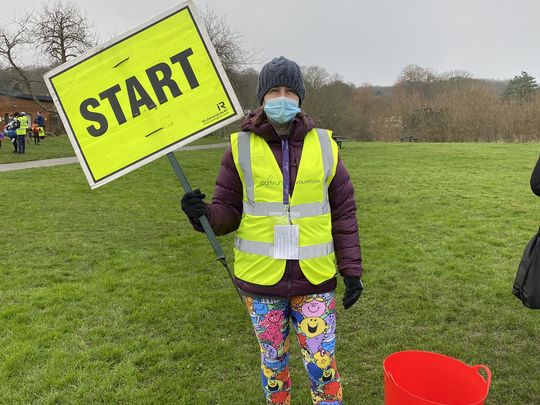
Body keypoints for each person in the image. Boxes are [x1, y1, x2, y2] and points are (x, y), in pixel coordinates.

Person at [180, 56, 363, 405]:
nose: (282, 98)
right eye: (274, 91)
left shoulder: (325, 146)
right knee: (274, 365)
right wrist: (201, 214)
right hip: (261, 283)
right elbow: (228, 212)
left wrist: (351, 270)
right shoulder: (239, 148)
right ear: (262, 99)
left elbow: (344, 212)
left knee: (322, 367)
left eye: (290, 92)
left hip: (315, 282)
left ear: (300, 99)